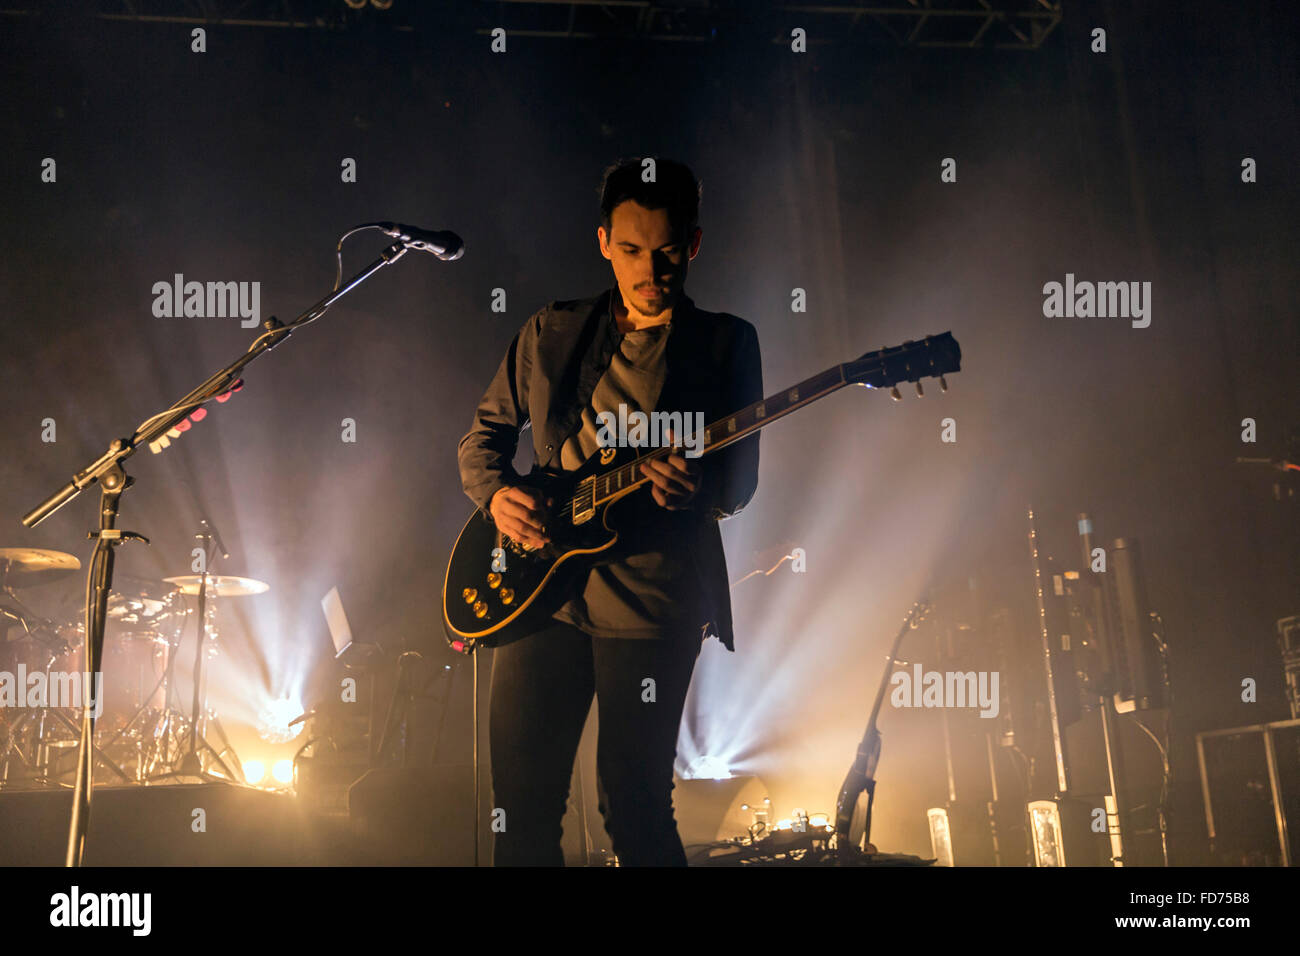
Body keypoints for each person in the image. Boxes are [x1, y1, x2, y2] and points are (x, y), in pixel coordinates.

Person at [457, 156, 763, 866]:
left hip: (651, 601)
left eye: (664, 252)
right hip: (539, 597)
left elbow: (737, 487)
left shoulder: (724, 343)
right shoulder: (552, 332)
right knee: (520, 815)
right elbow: (484, 438)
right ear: (603, 243)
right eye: (629, 251)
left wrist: (697, 487)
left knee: (634, 810)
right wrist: (496, 495)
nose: (648, 271)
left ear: (692, 245)